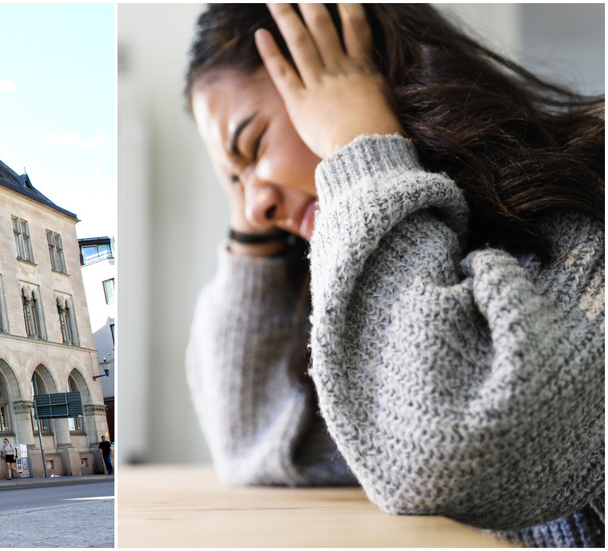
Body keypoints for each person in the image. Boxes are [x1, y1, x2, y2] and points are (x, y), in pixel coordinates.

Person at [184, 3, 603, 548]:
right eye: (234, 185)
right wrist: (250, 231)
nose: (254, 207)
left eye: (253, 143)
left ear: (353, 67)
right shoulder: (400, 275)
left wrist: (358, 144)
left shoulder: (592, 201)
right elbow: (255, 445)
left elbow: (445, 451)